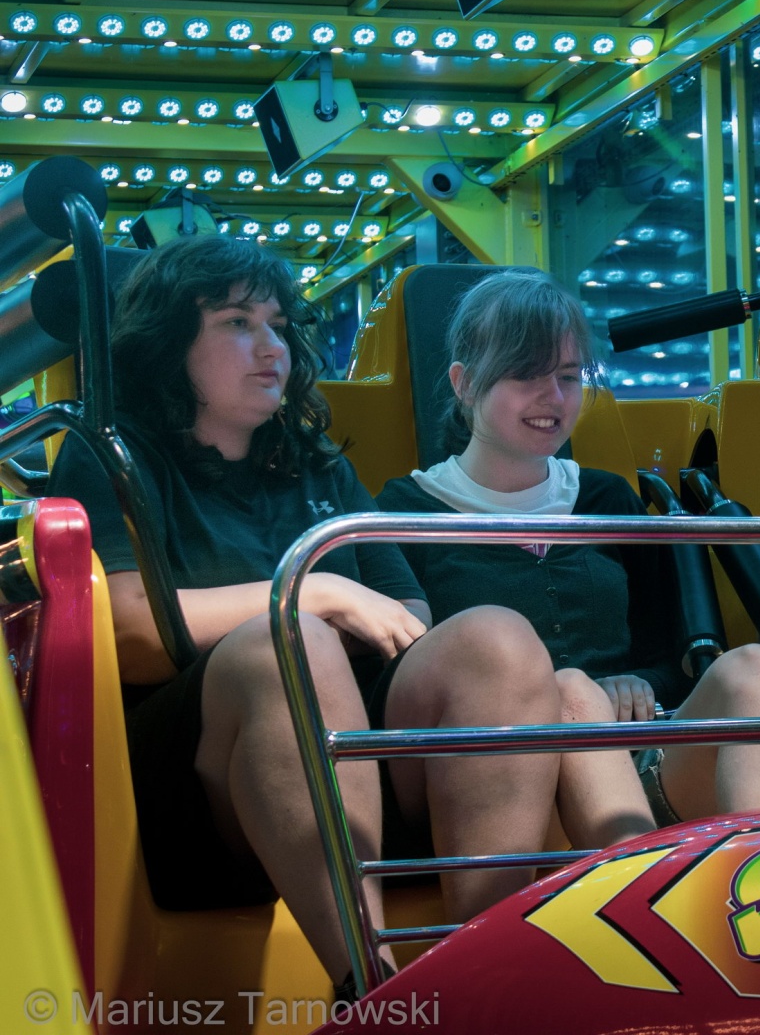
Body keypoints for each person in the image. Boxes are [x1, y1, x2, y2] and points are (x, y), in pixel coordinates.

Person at [47, 238, 565, 994]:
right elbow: (126, 632)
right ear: (168, 342)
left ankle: (485, 978)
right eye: (237, 323)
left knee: (496, 636)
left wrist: (336, 610)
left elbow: (407, 613)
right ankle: (371, 988)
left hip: (351, 756)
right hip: (196, 793)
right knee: (289, 643)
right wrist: (312, 595)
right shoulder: (112, 458)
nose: (272, 348)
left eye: (279, 325)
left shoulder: (319, 464)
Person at [376, 270, 760, 841]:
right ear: (465, 383)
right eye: (525, 374)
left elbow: (675, 654)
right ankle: (637, 889)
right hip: (489, 783)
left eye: (567, 376)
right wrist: (572, 693)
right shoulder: (402, 512)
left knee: (751, 667)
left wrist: (639, 682)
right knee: (574, 691)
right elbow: (398, 691)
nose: (554, 398)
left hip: (634, 761)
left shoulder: (608, 499)